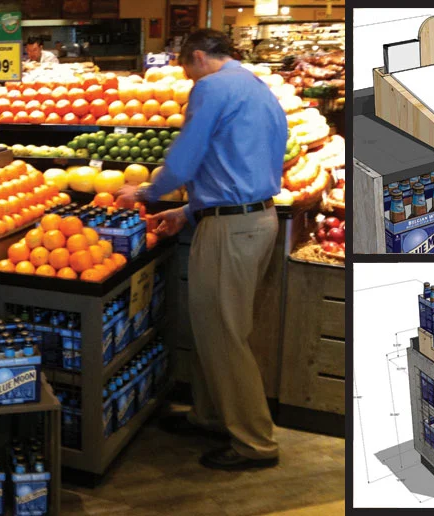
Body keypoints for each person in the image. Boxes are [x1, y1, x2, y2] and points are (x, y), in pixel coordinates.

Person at [117, 28, 286, 471]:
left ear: (195, 57)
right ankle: (211, 415)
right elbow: (238, 162)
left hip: (231, 229)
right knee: (216, 327)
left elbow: (185, 158)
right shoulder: (256, 87)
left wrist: (146, 192)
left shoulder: (211, 87)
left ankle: (255, 443)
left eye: (186, 70)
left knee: (225, 334)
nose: (188, 80)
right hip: (252, 219)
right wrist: (190, 211)